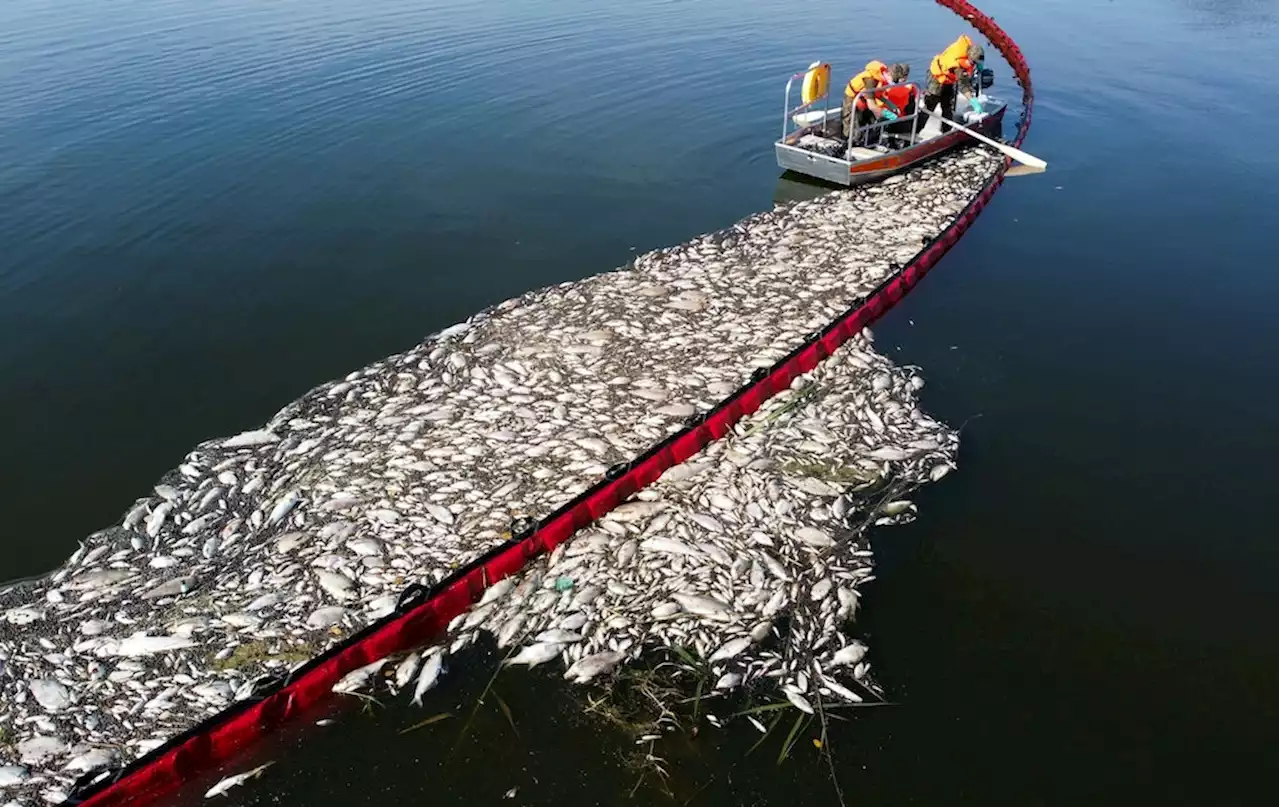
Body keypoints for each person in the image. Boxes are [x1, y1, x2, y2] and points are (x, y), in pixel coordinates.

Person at [924, 35, 985, 123]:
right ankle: (917, 129)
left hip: (948, 80)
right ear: (969, 58)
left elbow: (979, 55)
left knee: (948, 107)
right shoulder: (957, 66)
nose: (974, 65)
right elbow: (963, 86)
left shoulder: (971, 49)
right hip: (937, 78)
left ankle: (946, 131)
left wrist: (980, 64)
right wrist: (973, 101)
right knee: (930, 105)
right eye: (974, 63)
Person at [841, 60, 894, 141]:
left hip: (864, 98)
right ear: (888, 74)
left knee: (871, 121)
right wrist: (887, 114)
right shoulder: (870, 80)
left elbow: (876, 94)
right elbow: (872, 106)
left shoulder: (878, 76)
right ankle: (849, 142)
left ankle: (870, 138)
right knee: (851, 122)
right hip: (852, 99)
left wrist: (890, 104)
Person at [881, 63, 925, 137]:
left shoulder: (884, 88)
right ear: (906, 75)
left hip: (886, 121)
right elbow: (918, 103)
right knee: (921, 113)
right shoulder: (912, 88)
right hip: (902, 122)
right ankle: (914, 134)